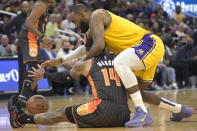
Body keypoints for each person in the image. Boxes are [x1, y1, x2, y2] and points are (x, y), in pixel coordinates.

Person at [41, 4, 193, 127]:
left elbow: (99, 46)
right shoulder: (95, 30)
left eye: (74, 20)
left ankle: (142, 112)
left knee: (119, 63)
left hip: (148, 44)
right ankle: (179, 109)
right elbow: (87, 48)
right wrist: (61, 60)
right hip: (138, 53)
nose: (75, 24)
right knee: (132, 92)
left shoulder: (97, 15)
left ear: (81, 15)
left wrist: (84, 62)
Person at [8, 51, 131, 128]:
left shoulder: (89, 62)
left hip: (102, 110)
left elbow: (66, 77)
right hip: (125, 115)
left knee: (61, 113)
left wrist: (44, 75)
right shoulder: (119, 59)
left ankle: (21, 118)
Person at [15, 0, 55, 109]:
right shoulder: (41, 4)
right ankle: (22, 97)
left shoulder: (44, 6)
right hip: (29, 38)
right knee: (33, 67)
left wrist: (43, 40)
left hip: (34, 39)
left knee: (38, 67)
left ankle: (27, 95)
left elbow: (37, 25)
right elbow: (29, 22)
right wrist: (42, 37)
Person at [2, 1, 30, 93]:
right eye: (23, 7)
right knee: (22, 70)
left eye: (26, 7)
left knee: (33, 70)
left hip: (32, 46)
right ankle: (20, 92)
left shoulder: (32, 17)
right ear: (21, 8)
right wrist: (12, 40)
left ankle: (33, 92)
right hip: (22, 46)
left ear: (29, 7)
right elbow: (6, 27)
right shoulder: (17, 18)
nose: (25, 9)